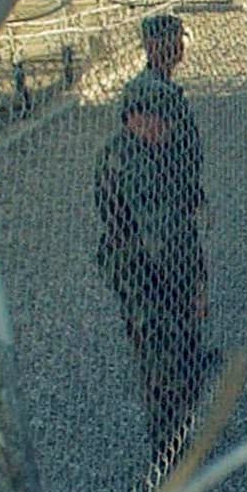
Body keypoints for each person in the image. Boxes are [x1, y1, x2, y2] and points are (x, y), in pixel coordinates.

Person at [96, 70, 213, 466]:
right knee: (163, 362)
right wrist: (192, 288)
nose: (166, 129)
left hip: (161, 268)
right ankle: (170, 453)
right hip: (145, 274)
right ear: (136, 118)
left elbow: (179, 220)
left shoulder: (150, 151)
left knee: (180, 353)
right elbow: (163, 235)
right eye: (159, 120)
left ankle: (180, 435)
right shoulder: (131, 162)